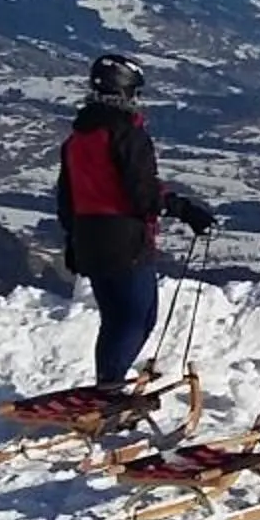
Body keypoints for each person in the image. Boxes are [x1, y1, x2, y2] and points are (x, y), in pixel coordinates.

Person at [54, 53, 218, 389]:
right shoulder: (127, 134)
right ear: (125, 91)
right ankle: (109, 390)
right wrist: (184, 209)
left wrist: (72, 238)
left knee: (113, 319)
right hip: (124, 238)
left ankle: (107, 382)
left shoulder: (76, 138)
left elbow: (66, 197)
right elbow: (143, 194)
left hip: (87, 236)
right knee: (138, 318)